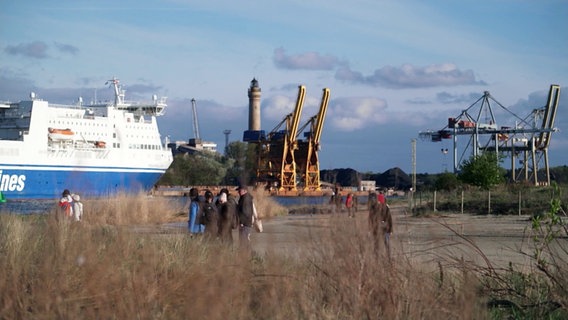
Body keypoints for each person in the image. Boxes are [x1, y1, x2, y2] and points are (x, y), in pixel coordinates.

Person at [236, 184, 254, 251]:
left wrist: (242, 222)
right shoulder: (245, 198)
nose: (238, 192)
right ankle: (247, 255)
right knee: (245, 240)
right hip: (247, 223)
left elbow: (246, 212)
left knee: (243, 241)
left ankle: (247, 255)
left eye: (239, 190)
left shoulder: (245, 199)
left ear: (244, 191)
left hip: (245, 224)